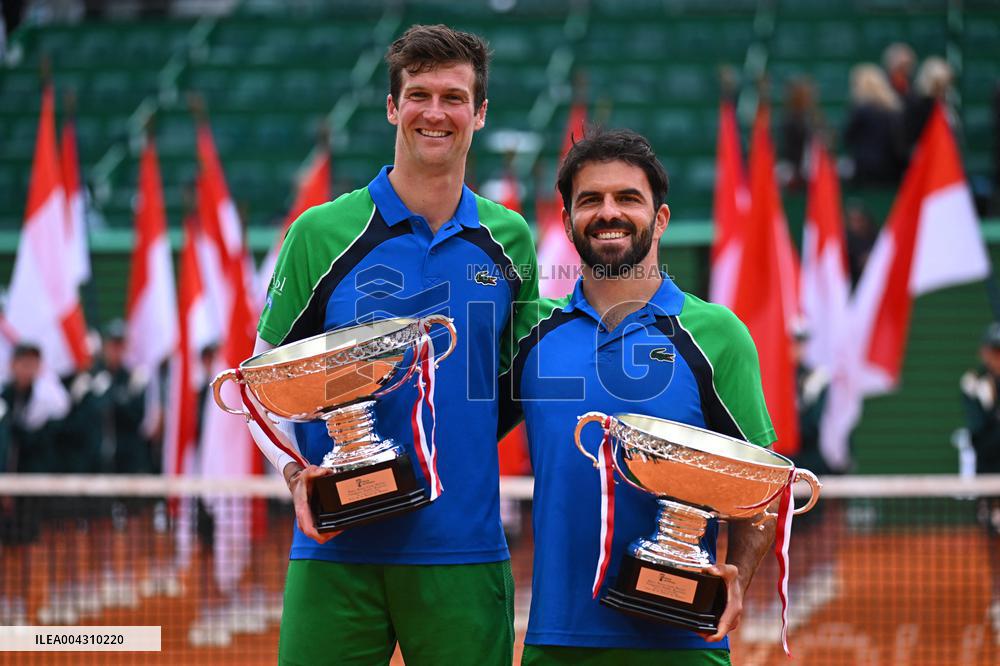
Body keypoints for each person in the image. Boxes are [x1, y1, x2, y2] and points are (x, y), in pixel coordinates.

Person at [252, 24, 538, 665]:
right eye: (418, 95)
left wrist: (452, 447)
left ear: (479, 113)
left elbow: (513, 386)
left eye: (454, 97)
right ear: (392, 107)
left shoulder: (511, 240)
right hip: (336, 550)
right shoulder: (319, 232)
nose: (435, 112)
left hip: (464, 554)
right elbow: (260, 384)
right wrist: (296, 475)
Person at [500, 128, 775, 665]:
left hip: (683, 641)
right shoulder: (529, 334)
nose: (609, 212)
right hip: (556, 642)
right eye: (591, 200)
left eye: (628, 197)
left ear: (661, 218)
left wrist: (738, 576)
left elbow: (759, 491)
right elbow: (463, 439)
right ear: (567, 221)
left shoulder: (718, 335)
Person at [959, 322, 1000, 639]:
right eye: (994, 350)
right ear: (984, 353)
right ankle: (998, 598)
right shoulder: (973, 383)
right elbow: (979, 435)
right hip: (990, 477)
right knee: (993, 538)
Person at [843, 64, 907, 185]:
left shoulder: (859, 110)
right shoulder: (892, 110)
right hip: (891, 169)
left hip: (865, 171)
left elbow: (848, 137)